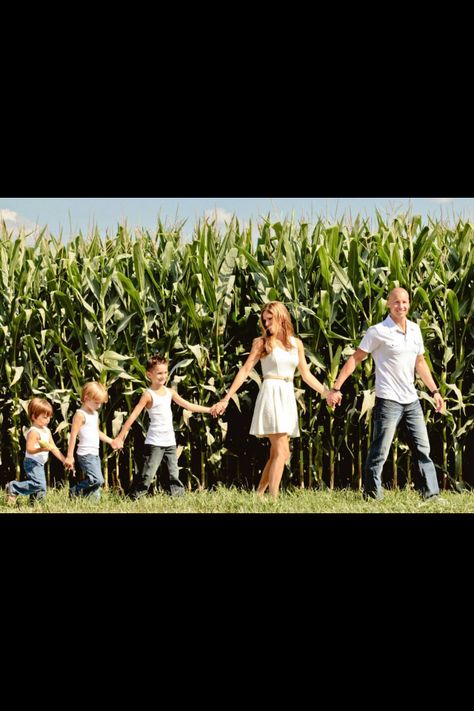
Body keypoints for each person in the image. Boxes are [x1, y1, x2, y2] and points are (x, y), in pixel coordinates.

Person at [327, 287, 444, 502]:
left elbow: (420, 362)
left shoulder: (415, 330)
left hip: (412, 400)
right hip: (388, 400)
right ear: (388, 304)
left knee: (423, 449)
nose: (401, 306)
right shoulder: (378, 331)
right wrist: (336, 387)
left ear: (409, 304)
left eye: (405, 302)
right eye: (397, 302)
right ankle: (372, 495)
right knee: (380, 451)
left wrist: (435, 391)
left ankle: (431, 495)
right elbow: (356, 358)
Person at [211, 301, 329, 499]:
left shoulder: (295, 344)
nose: (266, 323)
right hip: (271, 393)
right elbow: (246, 370)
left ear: (281, 317)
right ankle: (273, 501)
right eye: (264, 320)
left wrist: (327, 393)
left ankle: (259, 496)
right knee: (282, 452)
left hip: (287, 394)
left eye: (269, 319)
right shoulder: (261, 342)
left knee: (277, 454)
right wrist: (227, 397)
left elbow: (306, 375)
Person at [113, 354, 214, 499]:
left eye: (165, 372)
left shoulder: (170, 392)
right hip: (154, 442)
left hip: (170, 442)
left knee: (174, 473)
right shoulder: (148, 395)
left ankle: (178, 499)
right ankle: (134, 498)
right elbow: (133, 416)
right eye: (159, 373)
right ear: (149, 374)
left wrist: (209, 410)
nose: (163, 376)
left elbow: (188, 405)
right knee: (148, 474)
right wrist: (120, 437)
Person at [5, 397, 69, 506]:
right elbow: (29, 449)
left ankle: (35, 505)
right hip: (32, 462)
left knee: (40, 488)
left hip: (39, 463)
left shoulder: (47, 431)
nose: (48, 419)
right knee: (39, 484)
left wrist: (64, 460)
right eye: (45, 417)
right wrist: (41, 449)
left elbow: (53, 447)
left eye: (49, 416)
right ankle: (13, 487)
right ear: (34, 417)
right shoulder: (34, 432)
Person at [65, 381, 122, 500]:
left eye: (101, 403)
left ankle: (92, 504)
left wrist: (111, 441)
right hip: (85, 454)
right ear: (86, 398)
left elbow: (96, 432)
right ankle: (75, 491)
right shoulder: (80, 415)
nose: (99, 406)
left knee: (95, 487)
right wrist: (70, 456)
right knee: (97, 479)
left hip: (95, 453)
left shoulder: (94, 414)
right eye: (97, 403)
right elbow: (73, 436)